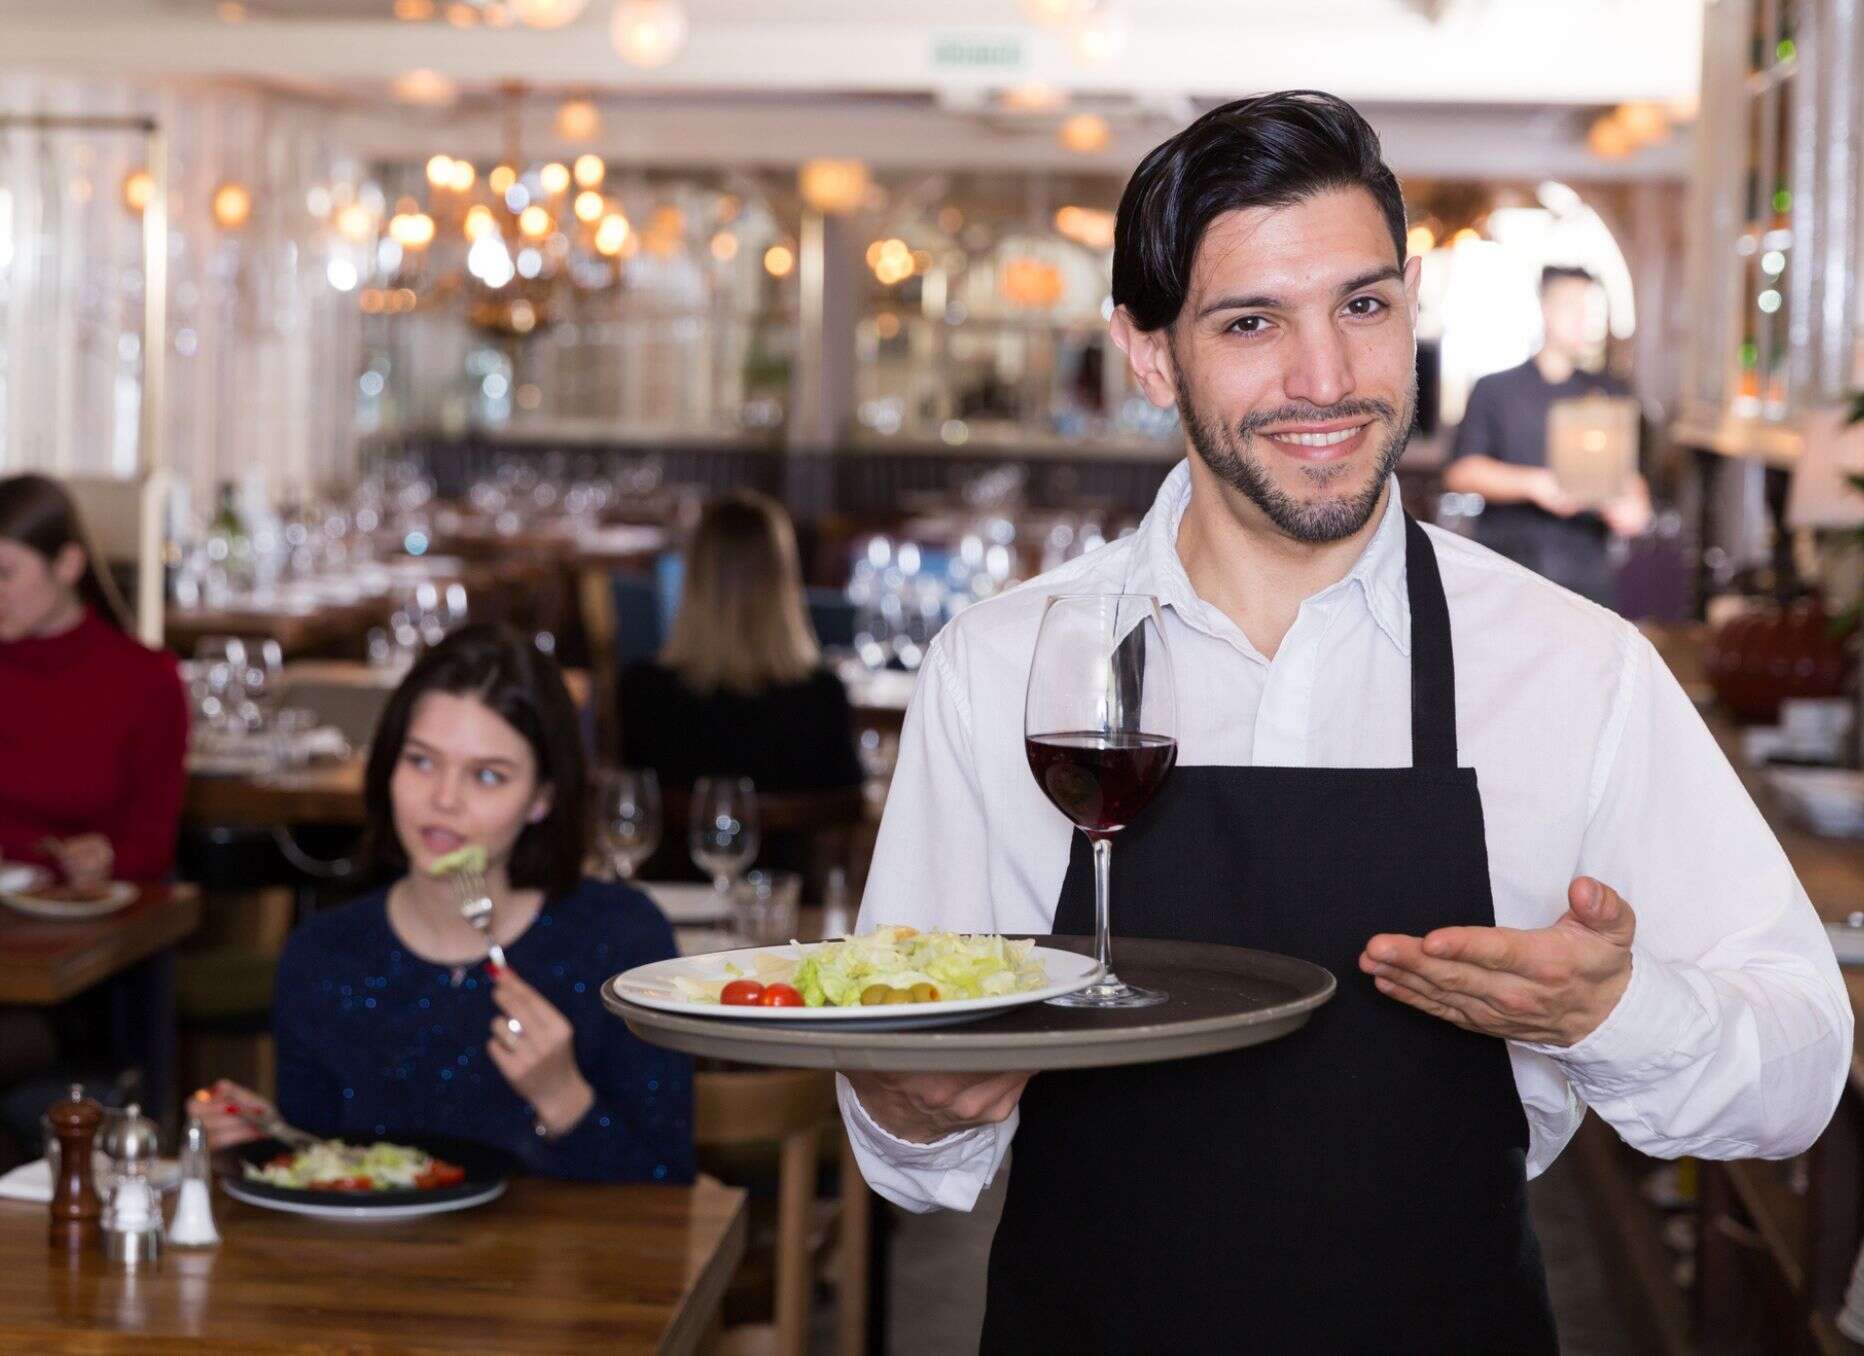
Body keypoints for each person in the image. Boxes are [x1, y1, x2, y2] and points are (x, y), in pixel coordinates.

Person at [838, 92, 1849, 1352]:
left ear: (1410, 304)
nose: (1326, 379)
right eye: (1252, 322)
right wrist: (910, 1098)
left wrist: (1611, 1010)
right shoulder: (998, 672)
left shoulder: (1573, 667)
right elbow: (909, 1149)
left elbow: (1802, 1068)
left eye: (1361, 307)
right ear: (1148, 353)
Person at [200, 624, 693, 1183]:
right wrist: (256, 1146)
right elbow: (324, 1173)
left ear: (542, 798)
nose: (443, 799)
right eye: (422, 761)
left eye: (487, 775)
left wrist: (564, 1098)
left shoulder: (623, 940)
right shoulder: (324, 954)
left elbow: (667, 1188)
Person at [0, 473, 187, 885]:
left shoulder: (146, 679)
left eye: (4, 573)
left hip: (93, 923)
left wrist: (108, 861)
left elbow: (151, 849)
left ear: (68, 564)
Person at [619, 490, 862, 794]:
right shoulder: (822, 696)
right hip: (791, 844)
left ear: (694, 579)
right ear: (783, 581)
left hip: (679, 844)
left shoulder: (643, 692)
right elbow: (850, 808)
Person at [1442, 265, 1653, 605]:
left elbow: (1630, 477)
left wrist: (1634, 507)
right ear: (1546, 309)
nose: (1585, 320)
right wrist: (1535, 484)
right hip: (1508, 568)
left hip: (1586, 573)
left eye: (1592, 310)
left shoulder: (1611, 392)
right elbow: (1461, 472)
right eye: (1574, 308)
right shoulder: (1496, 389)